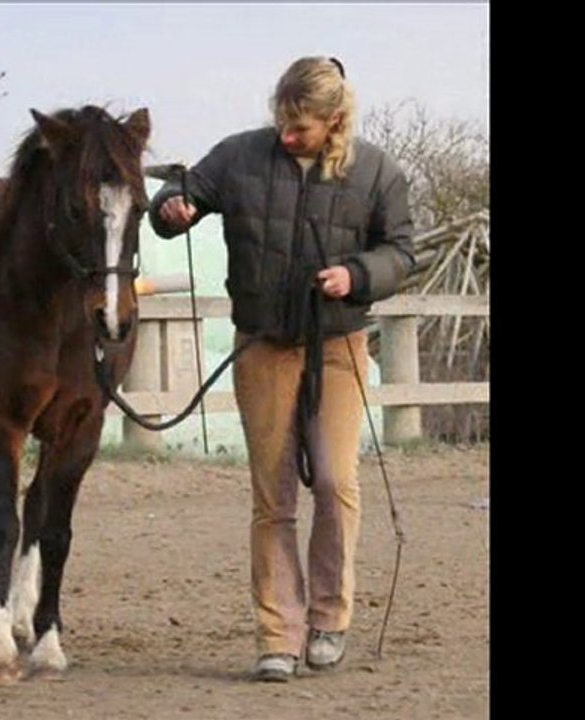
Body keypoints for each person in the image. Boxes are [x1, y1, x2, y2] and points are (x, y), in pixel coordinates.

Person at [148, 56, 415, 682]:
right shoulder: (240, 156)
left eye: (301, 127)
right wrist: (173, 209)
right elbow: (182, 189)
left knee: (333, 480)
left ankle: (329, 617)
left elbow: (401, 251)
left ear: (335, 121)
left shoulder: (376, 171)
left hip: (339, 345)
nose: (287, 136)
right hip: (264, 343)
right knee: (273, 495)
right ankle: (277, 635)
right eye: (282, 121)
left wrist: (356, 275)